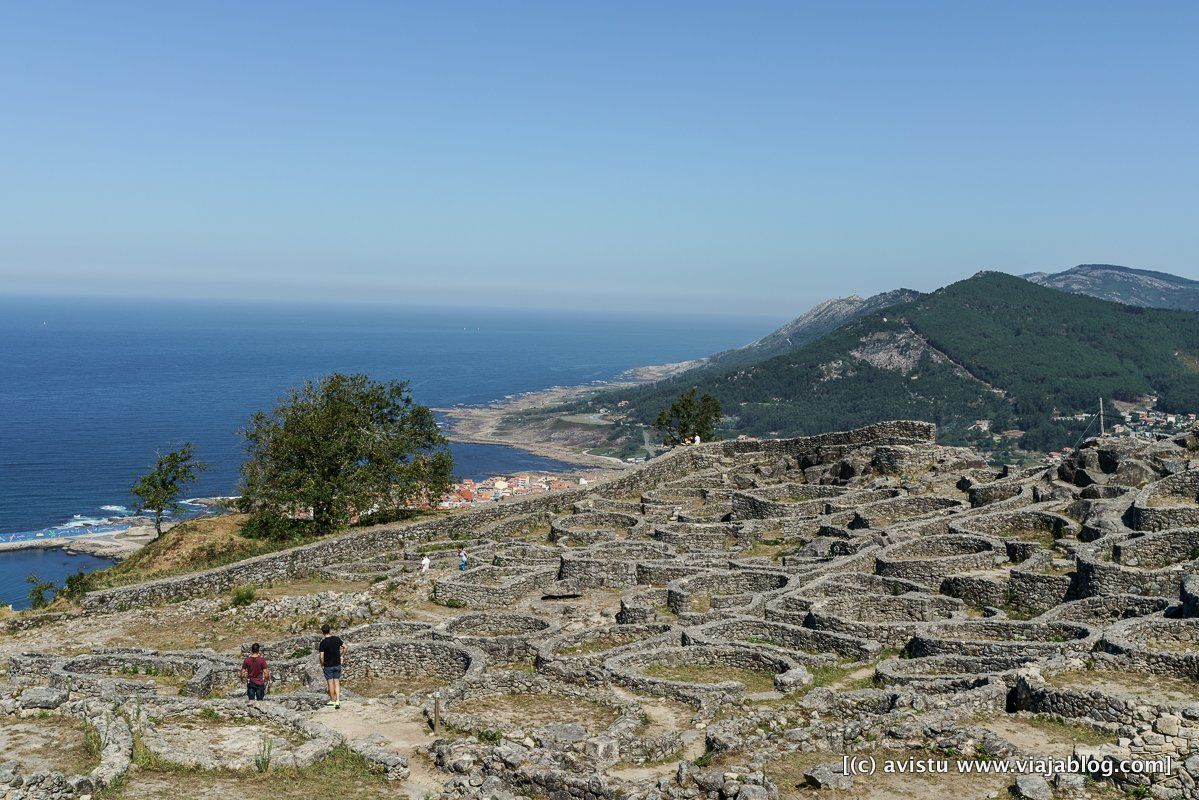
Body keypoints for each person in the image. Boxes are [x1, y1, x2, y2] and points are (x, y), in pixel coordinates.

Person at [318, 623, 345, 709]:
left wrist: (322, 664)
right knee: (337, 682)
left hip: (328, 666)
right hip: (337, 664)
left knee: (330, 683)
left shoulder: (322, 643)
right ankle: (338, 701)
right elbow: (345, 647)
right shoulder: (336, 639)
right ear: (330, 630)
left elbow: (321, 656)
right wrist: (342, 656)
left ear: (322, 632)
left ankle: (332, 701)